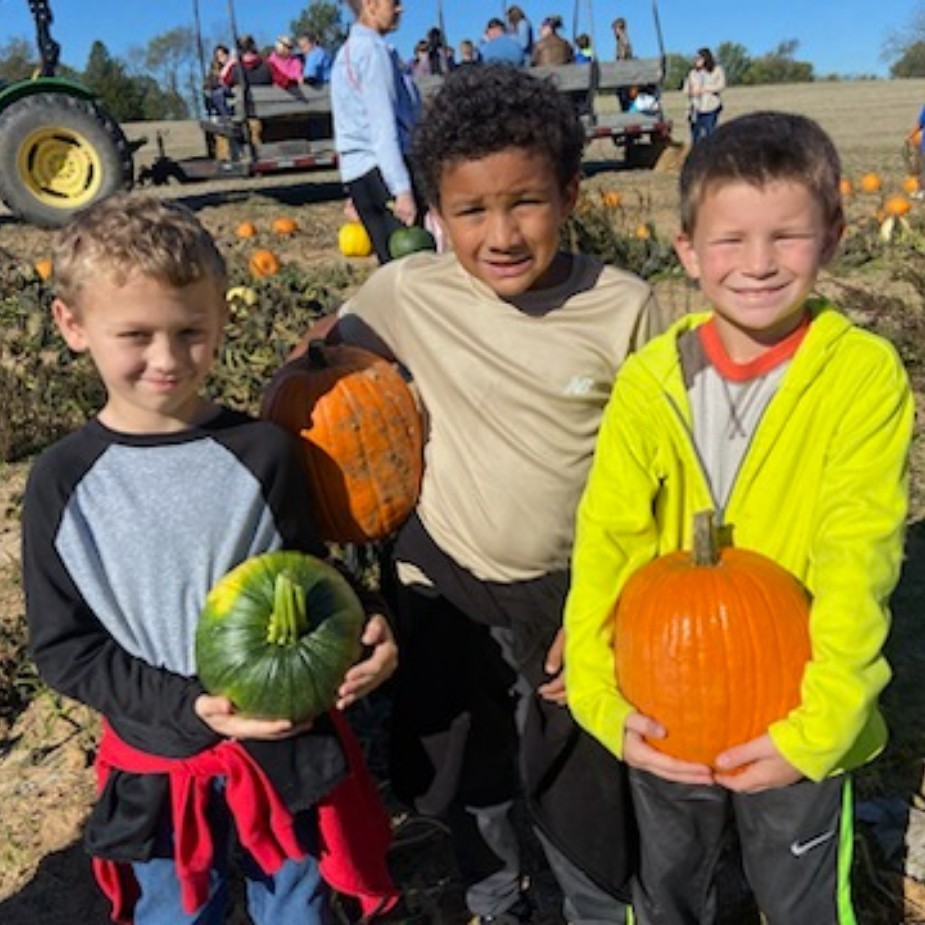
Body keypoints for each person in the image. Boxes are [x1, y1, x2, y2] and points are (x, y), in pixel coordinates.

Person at [329, 64, 666, 925]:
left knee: (583, 779)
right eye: (471, 211)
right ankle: (492, 898)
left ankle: (598, 905)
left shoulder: (622, 307)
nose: (502, 233)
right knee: (467, 768)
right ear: (435, 215)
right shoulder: (405, 292)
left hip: (573, 592)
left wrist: (610, 609)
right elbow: (320, 369)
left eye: (526, 203)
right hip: (447, 581)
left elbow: (666, 475)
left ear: (569, 194)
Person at [563, 111, 914, 925]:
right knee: (667, 888)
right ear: (687, 249)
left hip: (794, 699)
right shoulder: (650, 381)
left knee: (798, 899)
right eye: (730, 240)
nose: (757, 263)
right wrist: (600, 697)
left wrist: (818, 727)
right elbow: (605, 542)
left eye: (785, 236)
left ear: (831, 238)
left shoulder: (859, 377)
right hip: (665, 701)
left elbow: (859, 558)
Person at [21, 193, 402, 925]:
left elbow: (309, 577)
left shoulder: (262, 452)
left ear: (221, 319)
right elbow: (65, 649)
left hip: (282, 745)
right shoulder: (62, 482)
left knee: (298, 907)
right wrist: (189, 705)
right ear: (73, 325)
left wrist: (368, 622)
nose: (167, 359)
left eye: (190, 331)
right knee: (178, 912)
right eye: (136, 335)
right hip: (160, 760)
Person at [331, 0, 424, 264]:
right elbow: (383, 125)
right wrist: (401, 189)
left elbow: (348, 123)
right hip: (384, 169)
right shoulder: (373, 52)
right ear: (370, 4)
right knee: (413, 264)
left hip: (359, 173)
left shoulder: (345, 54)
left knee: (390, 263)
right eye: (393, 3)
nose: (400, 9)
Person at [683, 47, 726, 143]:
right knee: (696, 136)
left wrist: (706, 89)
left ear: (706, 58)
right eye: (695, 58)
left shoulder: (717, 70)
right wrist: (692, 92)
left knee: (710, 133)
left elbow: (721, 85)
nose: (696, 60)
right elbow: (685, 89)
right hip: (695, 109)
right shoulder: (692, 73)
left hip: (711, 107)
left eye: (699, 58)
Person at [203, 44, 233, 118]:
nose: (220, 58)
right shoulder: (215, 68)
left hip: (230, 89)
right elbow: (208, 81)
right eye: (218, 56)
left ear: (227, 55)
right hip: (218, 89)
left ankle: (226, 115)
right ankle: (218, 114)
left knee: (218, 94)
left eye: (222, 55)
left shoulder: (233, 65)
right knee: (210, 94)